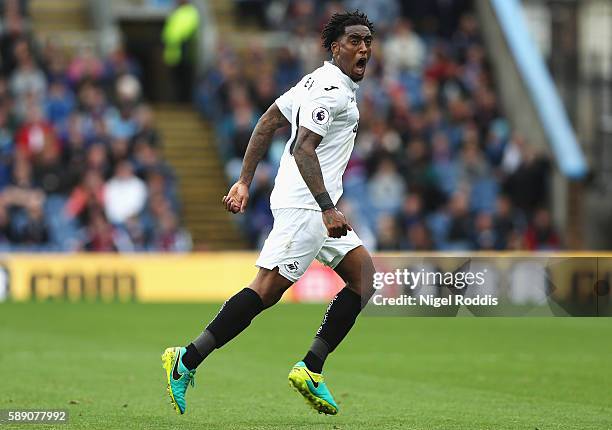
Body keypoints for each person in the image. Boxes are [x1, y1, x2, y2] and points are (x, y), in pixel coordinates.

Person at [161, 11, 376, 416]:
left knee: (363, 276)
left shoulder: (317, 81)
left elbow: (268, 122)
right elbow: (302, 148)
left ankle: (311, 368)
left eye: (367, 40)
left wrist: (244, 180)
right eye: (354, 40)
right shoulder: (329, 90)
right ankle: (185, 360)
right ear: (335, 47)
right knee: (264, 291)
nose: (363, 47)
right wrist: (328, 209)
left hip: (312, 203)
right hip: (308, 206)